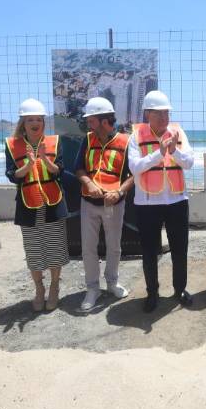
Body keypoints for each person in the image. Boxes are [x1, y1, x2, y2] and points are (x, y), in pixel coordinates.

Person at [128, 90, 195, 313]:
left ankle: (180, 289)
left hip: (177, 201)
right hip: (147, 204)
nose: (163, 118)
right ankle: (152, 293)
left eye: (166, 113)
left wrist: (174, 151)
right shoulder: (136, 136)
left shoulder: (178, 132)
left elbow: (189, 162)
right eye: (158, 114)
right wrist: (160, 152)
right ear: (147, 114)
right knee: (149, 251)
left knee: (180, 249)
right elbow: (135, 167)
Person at [5, 99, 69, 311]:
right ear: (22, 123)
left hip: (52, 203)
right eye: (30, 120)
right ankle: (39, 289)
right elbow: (12, 175)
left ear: (43, 122)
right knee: (34, 250)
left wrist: (44, 158)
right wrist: (29, 165)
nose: (35, 123)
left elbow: (59, 170)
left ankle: (54, 287)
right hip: (28, 205)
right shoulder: (12, 145)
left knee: (54, 247)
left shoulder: (54, 142)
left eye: (39, 120)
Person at [74, 97, 134, 312]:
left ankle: (112, 283)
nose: (88, 124)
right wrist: (89, 183)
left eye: (91, 120)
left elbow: (133, 174)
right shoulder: (87, 140)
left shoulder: (126, 142)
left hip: (114, 204)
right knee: (88, 247)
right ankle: (92, 288)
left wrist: (119, 192)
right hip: (88, 203)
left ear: (104, 121)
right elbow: (78, 169)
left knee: (114, 246)